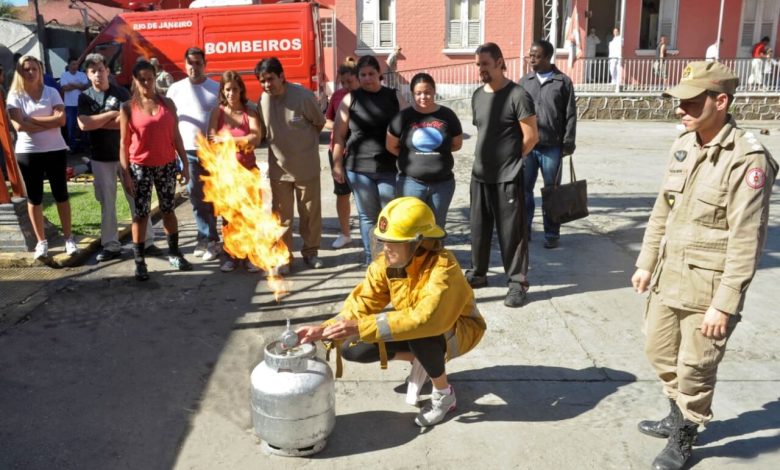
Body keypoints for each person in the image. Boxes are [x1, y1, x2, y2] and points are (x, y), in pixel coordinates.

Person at [631, 61, 777, 470]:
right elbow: (663, 210)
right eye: (679, 102)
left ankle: (684, 435)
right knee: (659, 352)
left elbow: (747, 239)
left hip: (708, 288)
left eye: (691, 102)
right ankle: (677, 413)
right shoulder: (685, 144)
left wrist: (725, 304)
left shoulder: (749, 160)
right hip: (668, 276)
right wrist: (646, 262)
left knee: (695, 367)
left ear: (721, 100)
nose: (681, 110)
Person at [295, 197, 486, 427]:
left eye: (394, 242)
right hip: (418, 327)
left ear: (419, 243)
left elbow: (426, 319)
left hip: (458, 330)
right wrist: (324, 329)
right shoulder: (390, 263)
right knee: (352, 347)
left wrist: (360, 326)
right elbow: (364, 301)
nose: (386, 247)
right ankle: (423, 360)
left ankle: (444, 395)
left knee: (421, 334)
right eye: (383, 240)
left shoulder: (444, 268)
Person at [468, 42, 538, 308]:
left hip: (508, 177)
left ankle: (517, 283)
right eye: (478, 65)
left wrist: (509, 161)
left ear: (499, 62)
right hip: (480, 176)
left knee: (512, 234)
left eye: (485, 64)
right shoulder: (477, 95)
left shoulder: (517, 95)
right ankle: (478, 273)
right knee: (478, 230)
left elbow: (531, 137)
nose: (481, 69)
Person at [77, 53, 159, 262]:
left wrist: (99, 121)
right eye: (93, 71)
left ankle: (146, 241)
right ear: (87, 74)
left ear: (108, 71)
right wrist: (111, 115)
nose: (97, 74)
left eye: (101, 70)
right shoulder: (84, 97)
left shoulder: (121, 92)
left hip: (127, 156)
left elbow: (129, 121)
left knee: (137, 199)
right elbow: (84, 124)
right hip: (100, 158)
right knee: (107, 203)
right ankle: (111, 245)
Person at [331, 55, 408, 266]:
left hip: (389, 167)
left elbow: (409, 127)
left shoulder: (394, 96)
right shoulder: (350, 99)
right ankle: (372, 258)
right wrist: (337, 164)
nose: (367, 79)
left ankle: (392, 258)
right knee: (367, 216)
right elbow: (338, 135)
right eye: (362, 75)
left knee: (389, 214)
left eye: (371, 74)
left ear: (379, 75)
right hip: (358, 168)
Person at [119, 60, 192, 281]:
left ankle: (174, 253)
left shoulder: (167, 104)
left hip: (166, 165)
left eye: (149, 78)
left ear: (155, 77)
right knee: (141, 215)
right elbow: (123, 143)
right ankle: (140, 261)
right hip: (140, 167)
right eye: (141, 79)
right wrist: (126, 174)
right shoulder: (127, 108)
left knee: (168, 210)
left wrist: (185, 164)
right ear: (134, 80)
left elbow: (176, 135)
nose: (146, 83)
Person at [256, 57, 326, 272]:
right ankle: (284, 256)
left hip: (306, 168)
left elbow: (319, 123)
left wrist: (302, 146)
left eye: (270, 79)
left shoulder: (303, 97)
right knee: (282, 218)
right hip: (279, 171)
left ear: (282, 76)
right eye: (263, 80)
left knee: (309, 215)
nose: (267, 84)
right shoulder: (263, 101)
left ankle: (311, 253)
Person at [6, 55, 78, 259]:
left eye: (34, 69)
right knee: (35, 197)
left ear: (40, 70)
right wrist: (49, 121)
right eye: (26, 69)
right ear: (20, 72)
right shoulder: (15, 95)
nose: (30, 72)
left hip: (55, 150)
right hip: (28, 152)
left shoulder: (52, 92)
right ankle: (41, 242)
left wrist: (31, 120)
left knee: (61, 194)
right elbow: (19, 127)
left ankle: (68, 239)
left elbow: (62, 120)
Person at [386, 73, 463, 229]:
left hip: (443, 184)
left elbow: (457, 144)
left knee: (436, 228)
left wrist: (436, 155)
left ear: (434, 91)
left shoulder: (447, 115)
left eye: (427, 92)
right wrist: (410, 157)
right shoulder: (404, 116)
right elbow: (391, 145)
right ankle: (414, 255)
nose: (423, 97)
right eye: (418, 93)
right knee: (410, 227)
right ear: (413, 94)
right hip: (411, 184)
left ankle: (434, 254)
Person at [519, 40, 576, 249]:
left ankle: (552, 234)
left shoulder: (563, 82)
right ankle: (524, 230)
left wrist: (568, 142)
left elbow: (570, 114)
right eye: (530, 55)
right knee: (524, 190)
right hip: (528, 146)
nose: (531, 59)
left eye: (536, 56)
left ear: (548, 58)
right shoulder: (525, 82)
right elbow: (514, 114)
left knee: (552, 191)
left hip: (552, 146)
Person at [167, 47, 221, 261]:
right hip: (187, 151)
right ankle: (204, 238)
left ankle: (213, 239)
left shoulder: (216, 88)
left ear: (204, 64)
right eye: (190, 63)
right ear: (184, 64)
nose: (194, 67)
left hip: (213, 152)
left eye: (198, 63)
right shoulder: (175, 90)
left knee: (214, 197)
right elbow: (170, 122)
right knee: (196, 197)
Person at [207, 70, 262, 273]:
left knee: (250, 216)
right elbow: (211, 141)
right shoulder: (217, 113)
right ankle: (230, 255)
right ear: (223, 91)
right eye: (227, 89)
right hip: (227, 175)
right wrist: (242, 141)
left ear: (241, 90)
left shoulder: (250, 112)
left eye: (234, 89)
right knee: (229, 218)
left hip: (248, 172)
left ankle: (250, 256)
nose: (231, 93)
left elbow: (255, 138)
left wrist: (229, 141)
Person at [324, 58, 359, 249]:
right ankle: (345, 233)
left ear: (358, 79)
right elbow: (326, 120)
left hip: (360, 152)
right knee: (342, 193)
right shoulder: (337, 96)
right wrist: (339, 127)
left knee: (364, 194)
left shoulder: (365, 96)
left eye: (349, 82)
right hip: (337, 150)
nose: (346, 86)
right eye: (342, 82)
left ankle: (370, 232)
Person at [60, 58, 89, 154]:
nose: (75, 66)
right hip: (70, 105)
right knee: (71, 127)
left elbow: (85, 87)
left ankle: (84, 146)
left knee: (83, 126)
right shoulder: (64, 75)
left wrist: (72, 84)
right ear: (68, 65)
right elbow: (64, 88)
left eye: (76, 64)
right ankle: (72, 146)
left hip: (81, 104)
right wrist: (78, 85)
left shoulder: (82, 75)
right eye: (73, 64)